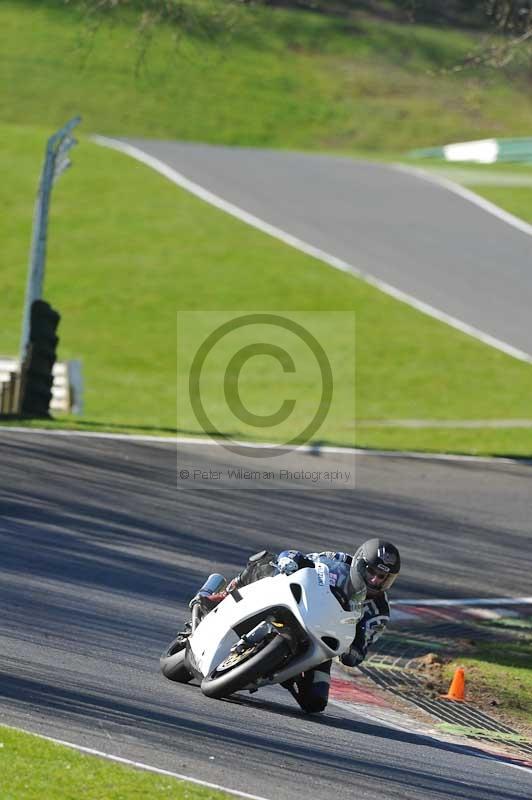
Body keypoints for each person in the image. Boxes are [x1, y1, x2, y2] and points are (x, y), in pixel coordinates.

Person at [177, 539, 401, 714]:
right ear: (361, 563)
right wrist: (290, 560)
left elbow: (359, 652)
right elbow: (301, 558)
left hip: (321, 637)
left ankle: (281, 670)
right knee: (267, 563)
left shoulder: (379, 611)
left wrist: (356, 647)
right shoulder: (339, 560)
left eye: (383, 577)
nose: (376, 582)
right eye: (373, 573)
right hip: (299, 608)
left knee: (315, 702)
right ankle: (223, 594)